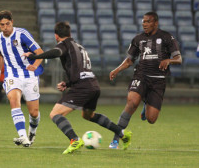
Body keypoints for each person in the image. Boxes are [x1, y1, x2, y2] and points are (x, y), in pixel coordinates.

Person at [22, 21, 132, 154]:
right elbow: (81, 69)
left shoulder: (64, 45)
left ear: (56, 36)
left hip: (83, 87)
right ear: (70, 33)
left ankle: (74, 139)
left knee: (55, 114)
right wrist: (68, 84)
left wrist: (35, 56)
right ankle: (122, 134)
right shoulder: (79, 46)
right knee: (88, 115)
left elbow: (56, 52)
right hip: (93, 85)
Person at [108, 12, 182, 149]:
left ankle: (146, 101)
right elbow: (130, 60)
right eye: (143, 22)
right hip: (141, 75)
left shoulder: (166, 37)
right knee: (131, 102)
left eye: (148, 22)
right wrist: (117, 70)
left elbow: (179, 59)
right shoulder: (138, 39)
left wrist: (169, 60)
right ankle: (116, 139)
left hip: (158, 80)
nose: (145, 24)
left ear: (156, 23)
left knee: (151, 119)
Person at [0, 10, 43, 147]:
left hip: (29, 76)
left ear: (12, 22)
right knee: (14, 101)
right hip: (12, 76)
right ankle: (23, 136)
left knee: (34, 113)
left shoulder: (22, 34)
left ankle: (32, 133)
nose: (5, 27)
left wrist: (35, 65)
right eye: (2, 25)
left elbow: (40, 53)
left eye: (7, 24)